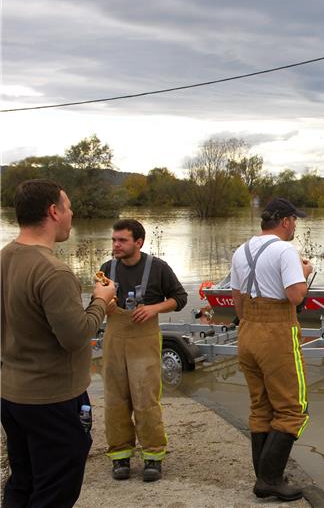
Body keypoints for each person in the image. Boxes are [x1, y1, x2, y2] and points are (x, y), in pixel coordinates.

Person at [1, 179, 117, 507]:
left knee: (23, 482)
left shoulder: (5, 257)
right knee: (55, 491)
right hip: (53, 401)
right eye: (67, 207)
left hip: (12, 395)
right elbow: (76, 337)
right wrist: (101, 301)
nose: (72, 213)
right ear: (53, 212)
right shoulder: (54, 272)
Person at [230, 198, 314, 501]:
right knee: (293, 408)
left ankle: (266, 475)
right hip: (277, 332)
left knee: (262, 405)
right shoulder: (285, 251)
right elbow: (295, 296)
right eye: (295, 220)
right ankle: (270, 478)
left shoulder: (241, 250)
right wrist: (305, 272)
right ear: (286, 221)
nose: (295, 226)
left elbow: (237, 299)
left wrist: (251, 320)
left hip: (247, 331)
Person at [100, 219, 188, 482]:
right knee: (115, 399)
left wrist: (153, 308)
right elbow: (98, 298)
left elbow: (180, 298)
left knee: (145, 399)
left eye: (122, 240)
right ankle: (120, 456)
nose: (116, 245)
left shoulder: (158, 268)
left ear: (138, 242)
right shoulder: (107, 268)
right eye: (114, 240)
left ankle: (152, 456)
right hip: (114, 337)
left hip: (145, 338)